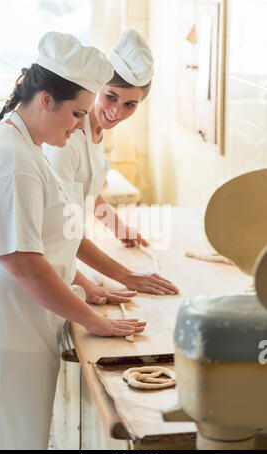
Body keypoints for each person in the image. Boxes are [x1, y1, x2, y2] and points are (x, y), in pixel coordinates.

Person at [0, 31, 146, 450]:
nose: (83, 125)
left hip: (17, 319)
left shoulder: (25, 143)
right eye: (78, 114)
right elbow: (24, 263)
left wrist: (87, 285)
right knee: (0, 436)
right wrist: (92, 318)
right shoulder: (12, 159)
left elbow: (54, 232)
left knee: (17, 435)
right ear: (45, 99)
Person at [44, 30, 180, 305]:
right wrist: (127, 275)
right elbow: (58, 228)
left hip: (65, 255)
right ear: (96, 89)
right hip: (49, 263)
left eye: (130, 104)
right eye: (111, 97)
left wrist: (118, 228)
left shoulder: (96, 129)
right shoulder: (66, 139)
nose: (117, 112)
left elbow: (84, 192)